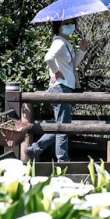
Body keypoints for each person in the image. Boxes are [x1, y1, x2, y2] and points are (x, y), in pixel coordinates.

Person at [28, 21, 83, 162]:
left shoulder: (65, 43)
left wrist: (82, 51)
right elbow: (48, 58)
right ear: (58, 26)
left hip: (65, 87)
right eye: (66, 23)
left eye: (72, 23)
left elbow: (72, 66)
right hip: (61, 87)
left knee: (62, 124)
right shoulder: (59, 42)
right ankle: (63, 161)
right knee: (63, 126)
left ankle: (35, 149)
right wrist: (56, 72)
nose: (70, 26)